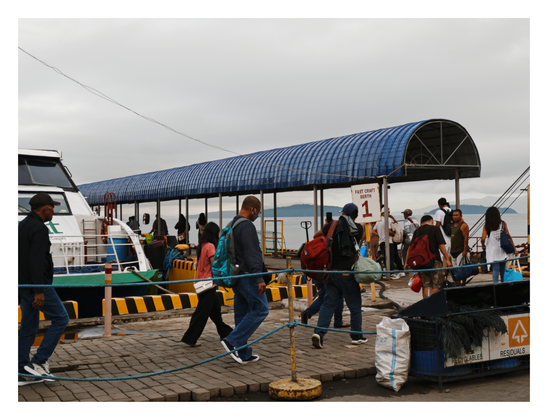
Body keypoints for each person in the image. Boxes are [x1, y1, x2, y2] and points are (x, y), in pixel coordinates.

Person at [18, 193, 69, 386]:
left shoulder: (22, 225)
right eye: (52, 207)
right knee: (61, 318)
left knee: (28, 328)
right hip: (38, 287)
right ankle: (38, 362)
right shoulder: (39, 228)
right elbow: (36, 260)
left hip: (24, 285)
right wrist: (39, 290)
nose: (53, 211)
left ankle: (21, 371)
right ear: (45, 208)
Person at [221, 196, 269, 364]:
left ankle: (243, 353)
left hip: (236, 276)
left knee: (242, 314)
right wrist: (259, 277)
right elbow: (252, 253)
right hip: (248, 276)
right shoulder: (247, 226)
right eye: (258, 211)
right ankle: (231, 341)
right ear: (253, 209)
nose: (258, 214)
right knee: (261, 309)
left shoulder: (232, 225)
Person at [311, 203, 366, 349]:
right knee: (354, 305)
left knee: (328, 304)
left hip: (331, 273)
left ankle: (319, 333)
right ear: (356, 215)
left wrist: (326, 227)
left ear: (343, 213)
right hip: (348, 273)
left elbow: (316, 236)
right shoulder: (358, 228)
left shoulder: (331, 226)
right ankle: (356, 336)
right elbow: (360, 242)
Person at [181, 222, 233, 347]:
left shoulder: (202, 246)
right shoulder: (210, 246)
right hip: (209, 284)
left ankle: (226, 332)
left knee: (215, 312)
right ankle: (190, 337)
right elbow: (214, 265)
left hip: (201, 283)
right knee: (202, 313)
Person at [301, 217, 348, 329]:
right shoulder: (335, 239)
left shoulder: (319, 241)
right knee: (331, 295)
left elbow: (315, 237)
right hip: (327, 271)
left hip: (318, 270)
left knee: (326, 295)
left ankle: (337, 320)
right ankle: (310, 314)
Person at [405, 215, 452, 299]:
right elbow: (441, 245)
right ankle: (430, 302)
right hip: (434, 261)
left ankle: (425, 304)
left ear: (421, 223)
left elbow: (410, 248)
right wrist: (447, 259)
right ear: (432, 221)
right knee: (437, 283)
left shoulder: (417, 231)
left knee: (425, 284)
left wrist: (406, 262)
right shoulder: (435, 229)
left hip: (421, 262)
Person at [481, 207, 518, 284]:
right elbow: (509, 237)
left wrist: (483, 245)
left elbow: (483, 238)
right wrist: (514, 249)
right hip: (502, 249)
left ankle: (495, 286)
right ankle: (503, 285)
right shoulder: (503, 224)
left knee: (495, 269)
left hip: (493, 251)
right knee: (502, 270)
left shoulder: (486, 226)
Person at [372, 207, 404, 279]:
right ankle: (391, 273)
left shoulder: (378, 221)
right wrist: (394, 234)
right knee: (391, 258)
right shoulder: (388, 220)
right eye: (388, 212)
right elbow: (389, 231)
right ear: (384, 213)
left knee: (384, 258)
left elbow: (373, 231)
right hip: (388, 242)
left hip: (381, 242)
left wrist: (380, 235)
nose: (389, 214)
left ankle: (384, 273)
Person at [450, 209, 470, 286]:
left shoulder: (463, 225)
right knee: (455, 270)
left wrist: (465, 251)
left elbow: (466, 238)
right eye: (453, 215)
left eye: (456, 215)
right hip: (453, 251)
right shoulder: (453, 226)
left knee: (462, 270)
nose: (454, 217)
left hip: (461, 251)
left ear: (461, 216)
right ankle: (458, 284)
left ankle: (463, 284)